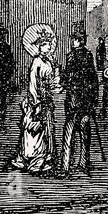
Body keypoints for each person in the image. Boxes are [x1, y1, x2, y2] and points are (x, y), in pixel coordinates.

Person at [9, 31, 59, 174]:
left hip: (46, 99)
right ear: (39, 47)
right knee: (34, 130)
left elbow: (52, 80)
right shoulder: (36, 62)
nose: (48, 47)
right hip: (37, 100)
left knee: (47, 128)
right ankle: (32, 160)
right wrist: (35, 103)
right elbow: (33, 84)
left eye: (49, 45)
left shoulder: (49, 61)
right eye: (45, 45)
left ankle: (45, 158)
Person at [61, 32, 99, 176]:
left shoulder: (71, 56)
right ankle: (83, 163)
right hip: (86, 102)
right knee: (85, 134)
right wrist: (94, 101)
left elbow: (67, 79)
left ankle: (65, 166)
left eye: (74, 40)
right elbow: (94, 79)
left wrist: (62, 76)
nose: (72, 42)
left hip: (74, 101)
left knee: (69, 134)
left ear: (79, 41)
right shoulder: (89, 56)